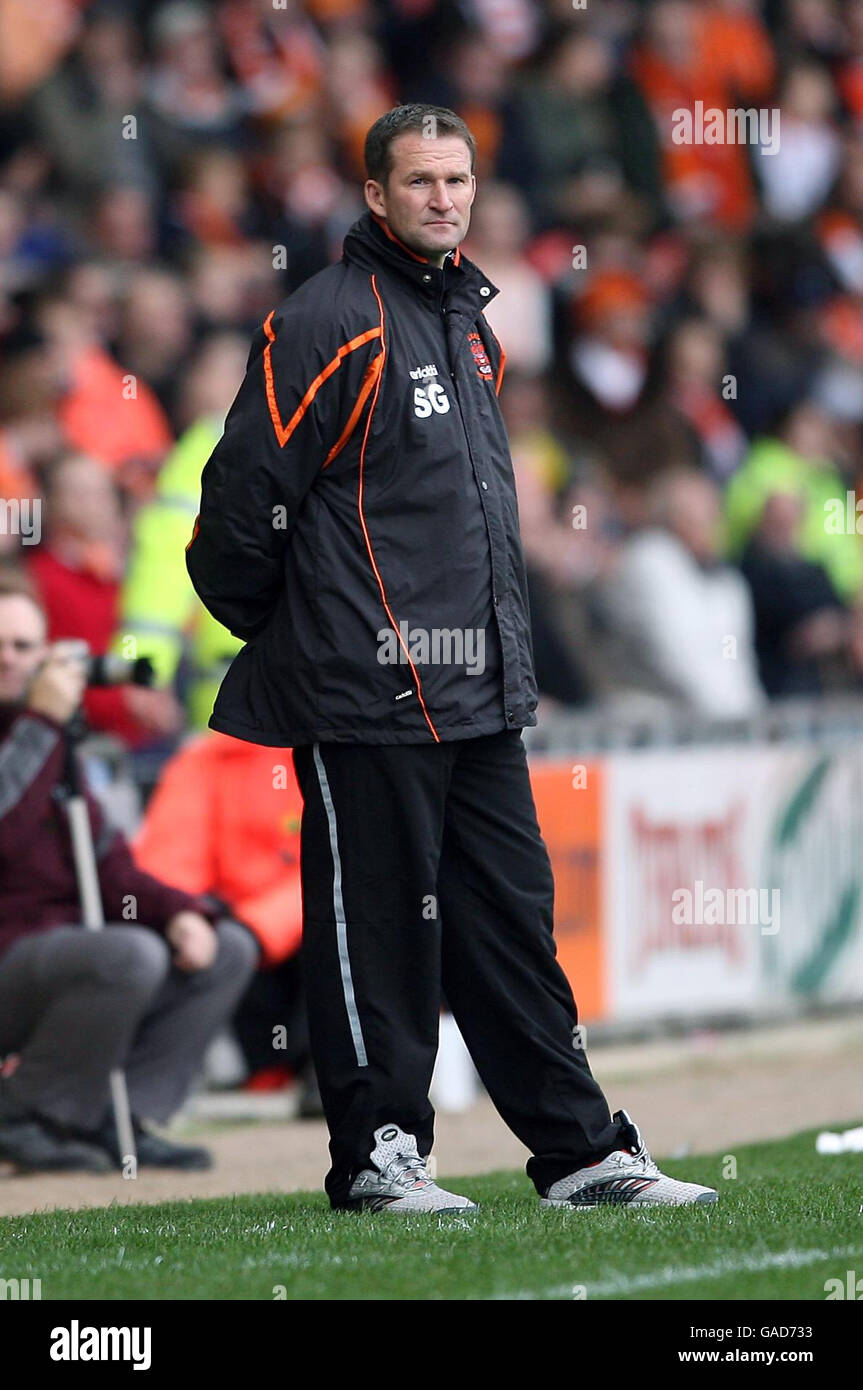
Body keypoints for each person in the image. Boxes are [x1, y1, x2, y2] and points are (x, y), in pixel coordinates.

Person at [186, 103, 718, 1213]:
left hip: (476, 694)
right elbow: (239, 514)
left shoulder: (472, 324)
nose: (444, 198)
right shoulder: (326, 319)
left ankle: (578, 1152)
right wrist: (318, 637)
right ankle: (380, 1159)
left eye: (458, 180)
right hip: (366, 692)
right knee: (375, 936)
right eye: (420, 181)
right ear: (373, 195)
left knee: (512, 926)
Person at [0, 573, 259, 1173]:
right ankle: (24, 1111)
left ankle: (116, 1122)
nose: (11, 660)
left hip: (62, 955)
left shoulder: (49, 738)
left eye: (23, 646)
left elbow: (111, 868)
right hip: (19, 955)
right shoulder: (40, 731)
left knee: (226, 945)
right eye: (0, 645)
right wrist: (42, 725)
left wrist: (184, 915)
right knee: (127, 955)